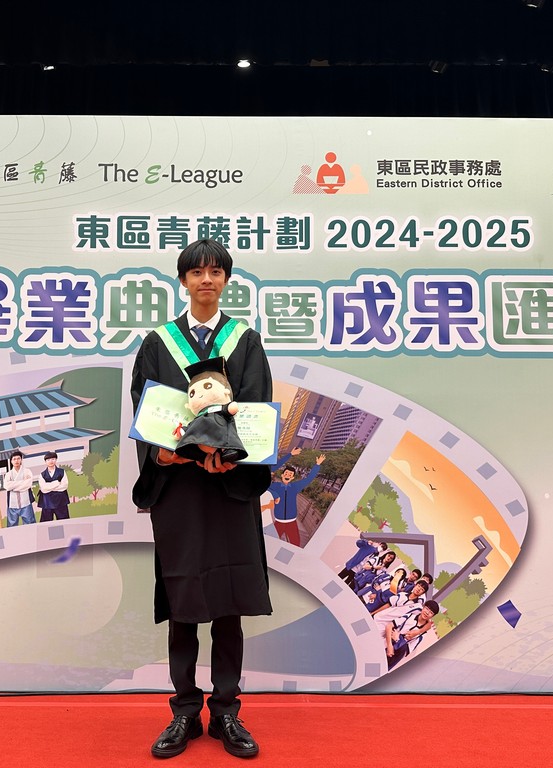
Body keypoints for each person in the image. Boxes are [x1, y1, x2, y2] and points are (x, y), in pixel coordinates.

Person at [132, 239, 272, 759]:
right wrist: (161, 456)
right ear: (183, 281)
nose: (206, 280)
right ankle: (185, 711)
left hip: (227, 488)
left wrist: (233, 456)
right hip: (181, 491)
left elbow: (255, 405)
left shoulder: (245, 341)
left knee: (229, 600)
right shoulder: (158, 343)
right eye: (197, 272)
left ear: (226, 280)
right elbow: (144, 407)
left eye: (215, 272)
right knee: (184, 599)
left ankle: (227, 710)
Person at [265, 453, 325, 546]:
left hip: (292, 522)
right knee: (270, 544)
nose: (288, 475)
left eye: (290, 474)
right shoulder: (275, 486)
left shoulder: (295, 486)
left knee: (295, 544)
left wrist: (317, 465)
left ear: (292, 477)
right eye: (286, 473)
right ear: (282, 475)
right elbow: (264, 488)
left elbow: (309, 479)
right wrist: (275, 495)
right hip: (278, 522)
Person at [385, 599, 440, 668]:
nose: (427, 613)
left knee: (378, 671)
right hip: (387, 643)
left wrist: (397, 639)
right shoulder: (409, 616)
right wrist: (389, 645)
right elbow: (389, 626)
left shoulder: (423, 634)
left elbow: (406, 650)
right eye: (427, 609)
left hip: (394, 656)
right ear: (423, 607)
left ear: (432, 616)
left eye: (431, 612)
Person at [3, 450, 35, 527]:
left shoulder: (27, 471)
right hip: (12, 502)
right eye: (14, 459)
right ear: (11, 461)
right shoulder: (8, 474)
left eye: (18, 458)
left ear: (21, 460)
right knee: (12, 525)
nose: (16, 461)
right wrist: (22, 482)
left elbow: (28, 484)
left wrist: (13, 487)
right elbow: (7, 486)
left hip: (26, 501)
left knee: (29, 523)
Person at [37, 451, 70, 522]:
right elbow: (43, 489)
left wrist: (49, 487)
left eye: (53, 459)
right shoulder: (42, 474)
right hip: (47, 501)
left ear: (56, 460)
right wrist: (57, 483)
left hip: (61, 500)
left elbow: (64, 486)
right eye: (48, 460)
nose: (51, 461)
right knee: (46, 523)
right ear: (45, 462)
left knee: (64, 521)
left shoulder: (62, 472)